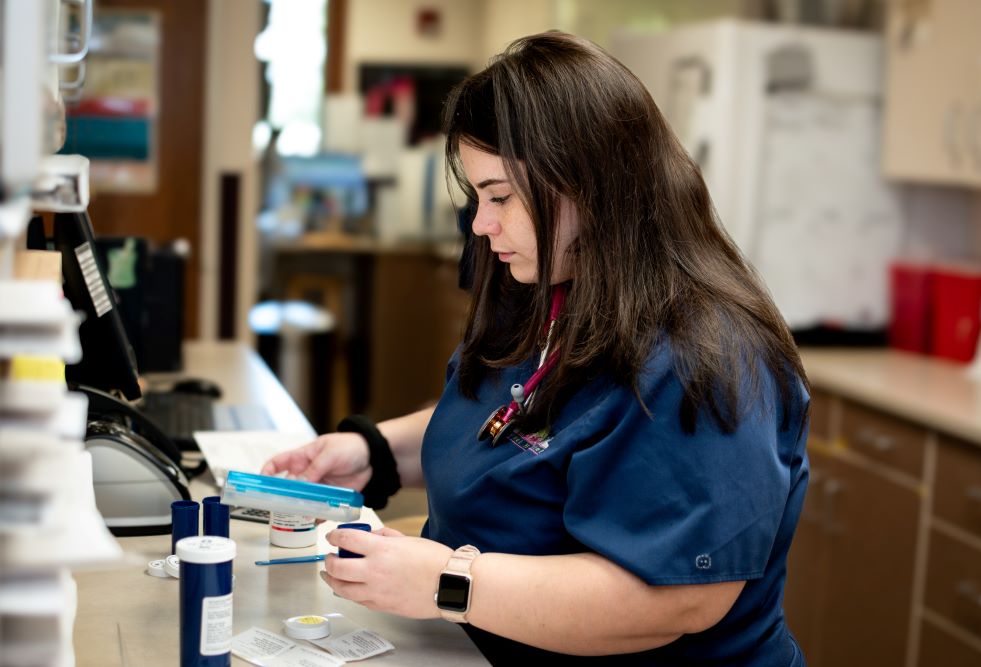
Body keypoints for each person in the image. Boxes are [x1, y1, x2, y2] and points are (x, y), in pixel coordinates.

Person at [263, 30, 810, 665]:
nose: (481, 224)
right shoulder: (548, 280)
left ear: (592, 184)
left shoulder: (706, 359)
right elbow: (514, 420)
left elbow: (672, 601)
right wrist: (376, 451)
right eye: (477, 197)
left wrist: (448, 583)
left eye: (500, 197)